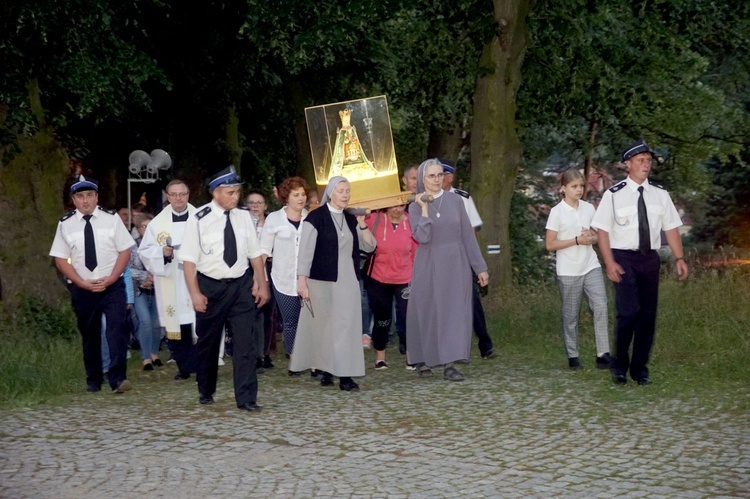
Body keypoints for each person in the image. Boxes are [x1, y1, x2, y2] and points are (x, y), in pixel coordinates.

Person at [592, 139, 688, 385]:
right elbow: (602, 231)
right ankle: (619, 365)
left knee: (647, 315)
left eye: (648, 161)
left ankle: (639, 368)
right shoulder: (613, 195)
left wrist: (679, 257)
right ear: (628, 164)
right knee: (628, 312)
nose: (646, 165)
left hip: (649, 259)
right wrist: (609, 262)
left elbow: (672, 228)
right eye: (640, 161)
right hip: (623, 257)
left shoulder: (660, 195)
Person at [181, 166, 270, 411]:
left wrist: (262, 285)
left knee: (245, 344)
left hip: (240, 285)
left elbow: (255, 255)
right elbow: (188, 260)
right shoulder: (199, 219)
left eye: (237, 192)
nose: (235, 197)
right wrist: (195, 293)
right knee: (208, 344)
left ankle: (247, 398)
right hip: (210, 286)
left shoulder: (243, 217)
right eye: (230, 193)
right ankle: (206, 389)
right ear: (216, 193)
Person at [50, 175, 135, 394]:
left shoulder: (112, 219)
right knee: (90, 334)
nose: (85, 201)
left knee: (117, 330)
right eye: (80, 196)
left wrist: (114, 277)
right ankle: (94, 379)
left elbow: (125, 250)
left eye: (90, 195)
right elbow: (60, 259)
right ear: (74, 200)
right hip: (83, 287)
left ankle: (117, 379)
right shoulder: (65, 224)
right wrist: (81, 283)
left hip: (112, 284)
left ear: (97, 197)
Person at [291, 176, 376, 391]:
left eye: (348, 190)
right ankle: (327, 369)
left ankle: (345, 374)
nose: (345, 194)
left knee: (347, 326)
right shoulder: (315, 217)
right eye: (341, 190)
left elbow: (370, 246)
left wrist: (363, 224)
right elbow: (305, 253)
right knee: (325, 327)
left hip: (347, 278)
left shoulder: (350, 219)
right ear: (330, 193)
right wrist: (302, 281)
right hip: (320, 280)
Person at [407, 159, 489, 381]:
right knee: (428, 310)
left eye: (439, 175)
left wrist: (479, 267)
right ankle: (423, 358)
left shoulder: (456, 201)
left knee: (453, 312)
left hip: (455, 263)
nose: (436, 179)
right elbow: (422, 237)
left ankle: (450, 363)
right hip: (429, 262)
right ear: (423, 179)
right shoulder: (414, 206)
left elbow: (467, 236)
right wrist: (424, 208)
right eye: (431, 176)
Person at [545, 168, 612, 371]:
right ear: (563, 189)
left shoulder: (588, 208)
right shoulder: (556, 212)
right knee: (571, 315)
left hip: (590, 265)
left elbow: (595, 234)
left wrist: (590, 238)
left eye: (581, 186)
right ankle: (573, 355)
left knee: (600, 305)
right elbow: (549, 244)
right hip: (569, 271)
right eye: (574, 186)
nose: (579, 190)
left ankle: (603, 354)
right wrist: (576, 240)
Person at [138, 180, 199, 381]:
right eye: (174, 194)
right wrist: (162, 253)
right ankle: (184, 366)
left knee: (198, 321)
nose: (179, 198)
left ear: (188, 195)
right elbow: (145, 251)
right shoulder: (157, 224)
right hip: (172, 278)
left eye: (183, 194)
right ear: (168, 197)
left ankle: (202, 363)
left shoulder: (201, 218)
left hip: (197, 277)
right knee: (178, 323)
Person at [440, 159, 496, 359]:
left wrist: (474, 262)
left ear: (450, 177)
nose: (438, 179)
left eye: (441, 175)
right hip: (439, 259)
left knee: (471, 301)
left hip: (461, 259)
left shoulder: (463, 199)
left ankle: (485, 344)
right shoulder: (427, 199)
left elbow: (471, 232)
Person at [259, 177, 309, 374]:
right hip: (282, 279)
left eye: (303, 194)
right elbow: (263, 250)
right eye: (296, 195)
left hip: (308, 279)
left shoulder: (310, 218)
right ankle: (294, 359)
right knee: (291, 320)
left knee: (310, 321)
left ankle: (312, 359)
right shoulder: (274, 219)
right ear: (286, 197)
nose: (301, 198)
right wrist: (259, 278)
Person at [364, 203, 417, 370]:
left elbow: (415, 250)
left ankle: (412, 355)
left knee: (408, 317)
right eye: (393, 206)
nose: (397, 209)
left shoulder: (410, 221)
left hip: (404, 277)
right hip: (378, 278)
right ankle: (380, 355)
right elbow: (355, 214)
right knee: (383, 319)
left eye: (401, 206)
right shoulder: (375, 219)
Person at [130, 212, 163, 371]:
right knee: (145, 321)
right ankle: (146, 358)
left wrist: (155, 277)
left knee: (156, 323)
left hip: (157, 290)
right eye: (144, 226)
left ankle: (154, 353)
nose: (147, 229)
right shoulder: (133, 246)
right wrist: (145, 276)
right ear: (138, 229)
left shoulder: (160, 246)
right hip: (139, 290)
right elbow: (127, 269)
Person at [246, 189, 275, 370]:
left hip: (270, 271)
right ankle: (255, 354)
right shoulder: (242, 226)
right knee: (253, 314)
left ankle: (265, 353)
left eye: (259, 203)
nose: (255, 206)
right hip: (248, 273)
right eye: (251, 203)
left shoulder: (272, 226)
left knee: (267, 315)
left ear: (265, 206)